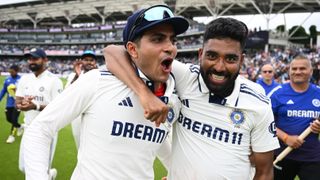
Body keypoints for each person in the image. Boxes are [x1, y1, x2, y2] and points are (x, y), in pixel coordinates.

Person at [22, 5, 188, 179]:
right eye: (158, 39)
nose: (170, 47)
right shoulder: (97, 81)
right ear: (132, 49)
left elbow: (155, 142)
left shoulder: (173, 98)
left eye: (173, 40)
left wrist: (175, 173)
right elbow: (40, 129)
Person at [104, 17, 280, 179]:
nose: (219, 67)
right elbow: (113, 51)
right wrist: (144, 93)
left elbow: (264, 172)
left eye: (230, 59)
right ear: (200, 54)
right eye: (212, 56)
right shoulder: (186, 77)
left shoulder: (258, 103)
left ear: (241, 61)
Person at [269, 54, 320, 180]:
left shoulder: (318, 93)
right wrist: (286, 138)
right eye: (294, 69)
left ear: (311, 71)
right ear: (289, 71)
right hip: (282, 155)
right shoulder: (277, 93)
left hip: (312, 158)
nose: (298, 72)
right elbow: (264, 123)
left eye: (302, 68)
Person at [15, 48, 63, 178]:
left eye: (35, 58)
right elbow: (18, 102)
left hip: (45, 130)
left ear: (45, 60)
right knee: (23, 167)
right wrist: (22, 104)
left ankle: (48, 174)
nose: (31, 61)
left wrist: (34, 106)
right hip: (28, 127)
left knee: (39, 173)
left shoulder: (54, 81)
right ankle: (51, 175)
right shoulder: (25, 79)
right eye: (29, 59)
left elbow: (58, 108)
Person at [65, 50, 98, 149]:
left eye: (91, 60)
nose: (89, 62)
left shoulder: (101, 75)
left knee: (95, 146)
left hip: (95, 114)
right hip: (78, 116)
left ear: (95, 62)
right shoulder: (73, 76)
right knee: (79, 145)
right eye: (86, 60)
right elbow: (67, 95)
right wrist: (77, 75)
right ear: (81, 62)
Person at [0, 65, 22, 143]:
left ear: (17, 71)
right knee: (8, 118)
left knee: (14, 119)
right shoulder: (7, 80)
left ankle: (12, 136)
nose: (11, 73)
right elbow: (3, 91)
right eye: (10, 72)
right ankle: (20, 126)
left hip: (18, 103)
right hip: (9, 103)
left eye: (12, 72)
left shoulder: (21, 80)